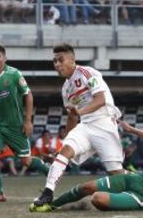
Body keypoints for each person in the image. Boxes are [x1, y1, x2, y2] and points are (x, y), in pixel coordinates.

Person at [31, 43, 125, 209]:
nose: (57, 65)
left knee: (116, 174)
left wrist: (79, 112)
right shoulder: (66, 88)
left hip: (104, 124)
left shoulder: (88, 73)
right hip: (86, 125)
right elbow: (72, 116)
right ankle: (48, 192)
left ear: (72, 60)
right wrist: (64, 141)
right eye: (54, 61)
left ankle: (136, 189)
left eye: (61, 60)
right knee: (66, 150)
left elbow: (100, 100)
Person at [0, 44, 49, 202]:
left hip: (15, 125)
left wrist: (28, 121)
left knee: (26, 161)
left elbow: (28, 95)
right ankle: (0, 194)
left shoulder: (14, 74)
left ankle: (49, 170)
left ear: (5, 58)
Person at [30, 122, 143, 212]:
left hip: (140, 195)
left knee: (97, 198)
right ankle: (52, 205)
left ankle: (123, 201)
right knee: (86, 187)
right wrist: (131, 129)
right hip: (135, 178)